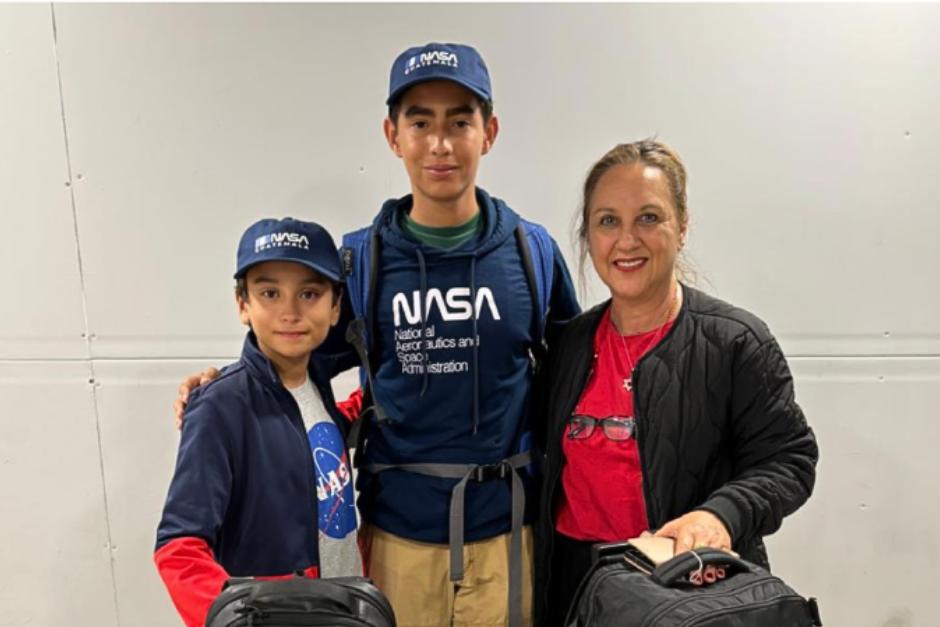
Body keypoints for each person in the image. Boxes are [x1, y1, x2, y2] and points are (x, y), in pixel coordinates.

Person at [174, 43, 580, 627]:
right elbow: (298, 363)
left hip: (507, 536)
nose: (440, 143)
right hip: (397, 537)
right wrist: (227, 389)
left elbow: (571, 375)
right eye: (420, 122)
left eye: (459, 121)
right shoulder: (361, 262)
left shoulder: (531, 252)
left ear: (488, 132)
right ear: (393, 136)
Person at [532, 140, 819, 626]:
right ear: (588, 235)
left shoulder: (735, 342)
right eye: (607, 221)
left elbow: (790, 459)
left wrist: (721, 516)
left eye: (648, 217)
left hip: (687, 594)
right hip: (575, 591)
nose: (626, 240)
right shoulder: (568, 345)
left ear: (682, 226)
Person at [155, 218, 360, 627]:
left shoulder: (313, 383)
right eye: (270, 293)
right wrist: (243, 618)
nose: (290, 311)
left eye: (309, 293)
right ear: (242, 304)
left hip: (343, 609)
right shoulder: (219, 406)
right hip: (283, 617)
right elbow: (178, 549)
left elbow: (315, 436)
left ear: (335, 307)